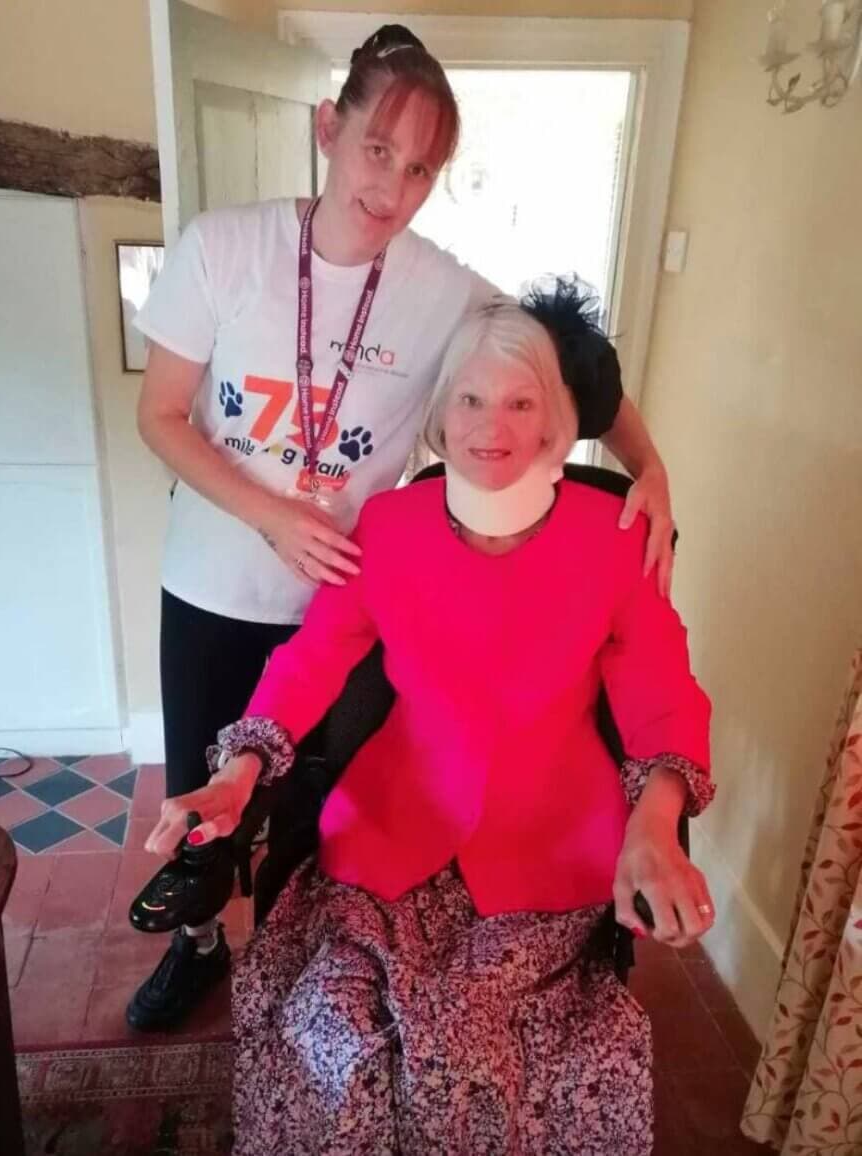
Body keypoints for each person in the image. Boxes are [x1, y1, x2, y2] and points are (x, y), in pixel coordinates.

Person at [128, 23, 677, 1032]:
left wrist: (651, 470)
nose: (392, 185)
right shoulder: (225, 247)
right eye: (378, 149)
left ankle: (297, 955)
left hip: (352, 597)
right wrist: (273, 516)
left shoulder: (440, 284)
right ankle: (196, 946)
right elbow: (157, 416)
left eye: (420, 167)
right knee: (204, 794)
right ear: (328, 129)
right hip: (214, 585)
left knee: (309, 807)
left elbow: (572, 370)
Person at [145, 288, 715, 1154]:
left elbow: (663, 692)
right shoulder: (388, 526)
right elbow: (312, 658)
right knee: (320, 1023)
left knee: (482, 1047)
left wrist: (656, 820)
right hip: (392, 832)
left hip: (551, 850)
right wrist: (240, 772)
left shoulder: (616, 536)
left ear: (557, 419)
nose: (494, 426)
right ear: (440, 414)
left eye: (522, 402)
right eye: (471, 399)